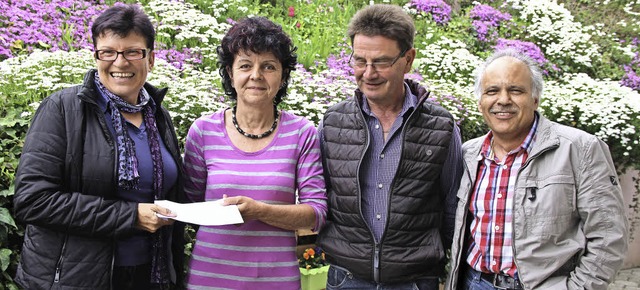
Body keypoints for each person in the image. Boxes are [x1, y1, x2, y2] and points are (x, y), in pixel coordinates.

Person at [13, 4, 186, 289]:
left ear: (151, 58)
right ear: (96, 56)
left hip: (149, 274)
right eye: (108, 52)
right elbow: (33, 200)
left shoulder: (157, 115)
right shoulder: (63, 110)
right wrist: (130, 217)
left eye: (132, 51)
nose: (120, 62)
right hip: (76, 279)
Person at [445, 49, 629, 290]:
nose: (503, 100)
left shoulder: (579, 149)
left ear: (535, 99)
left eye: (515, 90)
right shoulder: (469, 153)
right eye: (492, 91)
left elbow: (609, 235)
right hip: (474, 283)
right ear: (480, 103)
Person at [316, 4, 463, 289]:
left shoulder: (441, 126)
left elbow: (452, 208)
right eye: (360, 61)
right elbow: (321, 198)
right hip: (346, 278)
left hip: (415, 281)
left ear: (408, 60)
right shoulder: (332, 123)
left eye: (381, 62)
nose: (368, 74)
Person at [182, 16, 328, 289]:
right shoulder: (203, 132)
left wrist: (260, 211)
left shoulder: (301, 133)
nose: (256, 75)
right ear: (230, 72)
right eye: (245, 65)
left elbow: (316, 212)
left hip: (277, 279)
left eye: (268, 66)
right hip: (210, 278)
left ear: (283, 75)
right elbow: (189, 205)